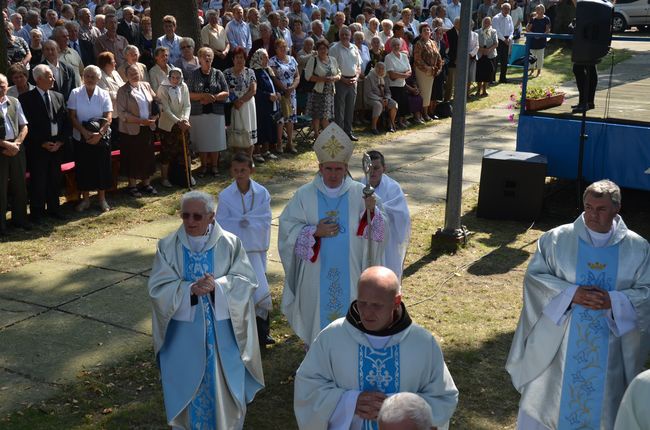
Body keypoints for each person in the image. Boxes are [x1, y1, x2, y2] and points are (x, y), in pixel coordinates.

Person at [506, 179, 650, 430]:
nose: (592, 214)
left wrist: (614, 300)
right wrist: (571, 294)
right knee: (552, 400)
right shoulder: (556, 239)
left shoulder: (637, 248)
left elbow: (646, 292)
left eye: (601, 209)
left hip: (610, 345)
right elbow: (535, 279)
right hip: (560, 343)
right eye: (588, 207)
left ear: (617, 209)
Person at [148, 190, 265, 430]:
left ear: (211, 217)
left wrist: (217, 288)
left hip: (223, 335)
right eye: (185, 216)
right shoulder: (168, 246)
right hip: (183, 337)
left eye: (197, 216)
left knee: (223, 385)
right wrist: (189, 289)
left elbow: (246, 281)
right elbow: (158, 288)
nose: (190, 222)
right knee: (187, 385)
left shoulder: (230, 243)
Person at [294, 266, 458, 429]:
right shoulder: (333, 337)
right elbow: (307, 388)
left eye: (377, 305)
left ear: (396, 302)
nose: (367, 313)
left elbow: (443, 398)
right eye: (362, 303)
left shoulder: (422, 343)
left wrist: (400, 409)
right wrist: (349, 402)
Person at [278, 123, 387, 345]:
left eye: (338, 169)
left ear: (345, 167)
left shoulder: (361, 193)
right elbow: (287, 229)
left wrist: (372, 210)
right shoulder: (304, 195)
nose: (333, 174)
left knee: (352, 322)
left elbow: (379, 233)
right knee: (317, 322)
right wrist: (313, 231)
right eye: (328, 169)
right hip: (315, 275)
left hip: (352, 271)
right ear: (320, 167)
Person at [216, 152, 275, 348]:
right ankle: (239, 334)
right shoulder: (225, 196)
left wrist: (247, 222)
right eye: (236, 171)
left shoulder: (262, 193)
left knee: (259, 289)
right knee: (239, 290)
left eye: (243, 170)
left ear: (251, 170)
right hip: (235, 252)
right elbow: (221, 223)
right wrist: (242, 224)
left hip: (255, 251)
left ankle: (262, 333)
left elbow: (265, 219)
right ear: (231, 171)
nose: (239, 174)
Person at [19, 65, 68, 222]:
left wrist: (60, 142)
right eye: (49, 76)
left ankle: (54, 208)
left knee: (55, 179)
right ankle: (37, 212)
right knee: (38, 180)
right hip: (38, 148)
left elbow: (65, 121)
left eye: (52, 76)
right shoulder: (26, 99)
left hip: (56, 146)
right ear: (38, 79)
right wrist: (41, 143)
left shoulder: (58, 96)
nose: (52, 79)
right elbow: (27, 125)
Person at [68, 65, 113, 213]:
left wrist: (99, 134)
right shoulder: (75, 93)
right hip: (81, 137)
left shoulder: (104, 94)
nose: (90, 79)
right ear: (83, 77)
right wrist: (84, 132)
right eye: (87, 76)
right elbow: (72, 116)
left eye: (93, 76)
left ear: (98, 78)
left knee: (101, 167)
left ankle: (102, 199)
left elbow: (108, 117)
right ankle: (86, 200)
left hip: (100, 136)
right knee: (84, 168)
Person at [362, 151, 410, 281]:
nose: (372, 172)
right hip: (365, 240)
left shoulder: (393, 188)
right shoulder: (359, 186)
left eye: (376, 168)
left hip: (388, 241)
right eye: (369, 169)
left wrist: (376, 207)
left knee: (387, 275)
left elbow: (402, 215)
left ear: (384, 168)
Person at [116, 63, 159, 198]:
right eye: (131, 74)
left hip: (147, 128)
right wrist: (140, 121)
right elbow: (122, 114)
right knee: (132, 157)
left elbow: (156, 101)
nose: (134, 76)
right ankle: (132, 186)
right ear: (126, 76)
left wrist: (155, 115)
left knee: (147, 156)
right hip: (131, 130)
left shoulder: (146, 85)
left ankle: (146, 183)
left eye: (136, 73)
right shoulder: (122, 91)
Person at [187, 47, 229, 177]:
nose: (207, 58)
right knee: (203, 141)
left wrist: (214, 98)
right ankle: (204, 166)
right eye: (204, 56)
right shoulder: (193, 74)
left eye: (209, 56)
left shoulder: (218, 74)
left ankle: (215, 166)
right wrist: (202, 97)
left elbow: (226, 92)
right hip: (199, 113)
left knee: (215, 141)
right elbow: (188, 94)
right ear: (199, 59)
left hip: (215, 113)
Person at [0, 73, 29, 234]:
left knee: (20, 186)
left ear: (7, 86)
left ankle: (20, 220)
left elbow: (24, 125)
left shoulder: (14, 102)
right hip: (2, 150)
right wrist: (6, 144)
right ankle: (1, 225)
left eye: (3, 85)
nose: (1, 88)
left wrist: (16, 144)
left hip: (17, 149)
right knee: (1, 188)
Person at [157, 68, 193, 188]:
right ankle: (164, 178)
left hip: (183, 123)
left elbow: (187, 105)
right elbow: (166, 109)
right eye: (173, 77)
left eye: (178, 78)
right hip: (168, 125)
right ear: (169, 77)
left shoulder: (184, 87)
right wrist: (178, 121)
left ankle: (188, 175)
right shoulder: (163, 88)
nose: (175, 80)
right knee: (167, 152)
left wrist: (185, 119)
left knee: (186, 150)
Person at [224, 47, 257, 159]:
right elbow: (226, 89)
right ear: (233, 59)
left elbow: (253, 90)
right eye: (237, 57)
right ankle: (238, 160)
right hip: (233, 106)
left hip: (247, 105)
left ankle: (249, 159)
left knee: (249, 131)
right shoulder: (227, 73)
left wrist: (242, 100)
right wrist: (235, 101)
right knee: (236, 132)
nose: (239, 60)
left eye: (242, 57)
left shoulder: (250, 72)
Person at [329, 26, 361, 141]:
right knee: (339, 109)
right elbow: (333, 67)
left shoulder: (355, 48)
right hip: (340, 82)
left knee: (350, 108)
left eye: (346, 35)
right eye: (342, 34)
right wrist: (343, 79)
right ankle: (339, 135)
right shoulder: (334, 49)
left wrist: (356, 77)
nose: (344, 37)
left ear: (350, 35)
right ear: (339, 35)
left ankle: (348, 132)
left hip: (353, 82)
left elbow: (358, 66)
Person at [305, 39, 340, 138]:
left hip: (329, 92)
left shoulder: (333, 59)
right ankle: (317, 135)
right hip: (317, 91)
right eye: (320, 49)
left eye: (324, 48)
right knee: (317, 116)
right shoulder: (313, 60)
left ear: (328, 49)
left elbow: (339, 72)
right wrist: (323, 79)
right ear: (317, 50)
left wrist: (335, 78)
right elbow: (308, 76)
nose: (323, 50)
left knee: (326, 116)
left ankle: (327, 137)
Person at [269, 38, 299, 155]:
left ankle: (290, 143)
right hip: (280, 94)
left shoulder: (292, 59)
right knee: (281, 119)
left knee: (290, 118)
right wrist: (284, 89)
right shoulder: (272, 61)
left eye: (285, 47)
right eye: (280, 47)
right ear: (276, 49)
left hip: (291, 93)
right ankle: (279, 143)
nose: (283, 49)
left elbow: (297, 76)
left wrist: (292, 88)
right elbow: (274, 78)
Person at [250, 48, 280, 161]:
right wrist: (268, 95)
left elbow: (272, 84)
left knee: (268, 125)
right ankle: (257, 152)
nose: (267, 59)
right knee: (260, 126)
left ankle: (266, 150)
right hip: (260, 104)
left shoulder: (266, 70)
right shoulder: (255, 71)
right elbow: (256, 90)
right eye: (264, 57)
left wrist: (277, 93)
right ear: (258, 58)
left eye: (267, 57)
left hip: (269, 104)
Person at [413, 23, 442, 122]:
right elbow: (417, 58)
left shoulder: (433, 42)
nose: (427, 32)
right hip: (422, 71)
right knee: (423, 93)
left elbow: (438, 56)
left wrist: (439, 67)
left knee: (428, 93)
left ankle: (426, 112)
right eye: (424, 30)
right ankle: (423, 114)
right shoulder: (419, 43)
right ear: (421, 33)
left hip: (432, 72)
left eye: (428, 30)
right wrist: (427, 68)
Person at [97, 51, 124, 148]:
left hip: (121, 110)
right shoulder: (100, 76)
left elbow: (124, 86)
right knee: (114, 139)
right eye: (113, 62)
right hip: (111, 113)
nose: (115, 63)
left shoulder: (115, 73)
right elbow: (105, 93)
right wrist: (122, 94)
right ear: (106, 64)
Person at [364, 62, 397, 134]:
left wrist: (387, 99)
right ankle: (373, 127)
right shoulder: (369, 77)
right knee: (378, 105)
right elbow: (368, 93)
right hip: (371, 98)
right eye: (379, 68)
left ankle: (390, 125)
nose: (380, 70)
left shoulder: (385, 77)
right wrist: (379, 99)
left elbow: (388, 91)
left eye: (382, 69)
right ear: (375, 68)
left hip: (384, 98)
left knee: (394, 104)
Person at [384, 37, 411, 129]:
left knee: (402, 104)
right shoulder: (388, 57)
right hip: (393, 86)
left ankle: (400, 122)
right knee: (395, 105)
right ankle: (391, 123)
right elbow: (391, 75)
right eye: (394, 45)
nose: (396, 46)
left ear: (401, 46)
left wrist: (399, 75)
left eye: (398, 45)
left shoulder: (404, 56)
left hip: (402, 85)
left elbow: (409, 71)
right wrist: (404, 75)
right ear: (391, 46)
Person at [526, 5, 551, 78]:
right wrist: (533, 35)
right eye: (536, 9)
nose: (537, 11)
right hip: (533, 41)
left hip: (541, 41)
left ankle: (539, 71)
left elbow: (548, 30)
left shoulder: (546, 19)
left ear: (543, 11)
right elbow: (527, 29)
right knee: (532, 56)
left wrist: (542, 35)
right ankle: (531, 70)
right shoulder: (533, 19)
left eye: (538, 10)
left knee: (540, 57)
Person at [475, 17, 498, 97]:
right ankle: (478, 90)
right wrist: (481, 50)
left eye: (488, 22)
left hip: (490, 54)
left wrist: (488, 50)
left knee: (488, 72)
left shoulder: (493, 32)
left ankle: (484, 90)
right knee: (479, 73)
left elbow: (496, 43)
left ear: (491, 23)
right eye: (485, 22)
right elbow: (475, 43)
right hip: (480, 54)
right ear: (482, 23)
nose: (486, 23)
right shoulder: (477, 32)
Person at [492, 2, 513, 84]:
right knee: (496, 60)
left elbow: (512, 29)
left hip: (507, 40)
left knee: (505, 60)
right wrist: (504, 39)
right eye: (505, 8)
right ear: (502, 8)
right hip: (498, 40)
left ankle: (503, 78)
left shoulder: (509, 18)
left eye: (508, 9)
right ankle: (492, 78)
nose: (507, 10)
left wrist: (510, 38)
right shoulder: (496, 18)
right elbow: (496, 30)